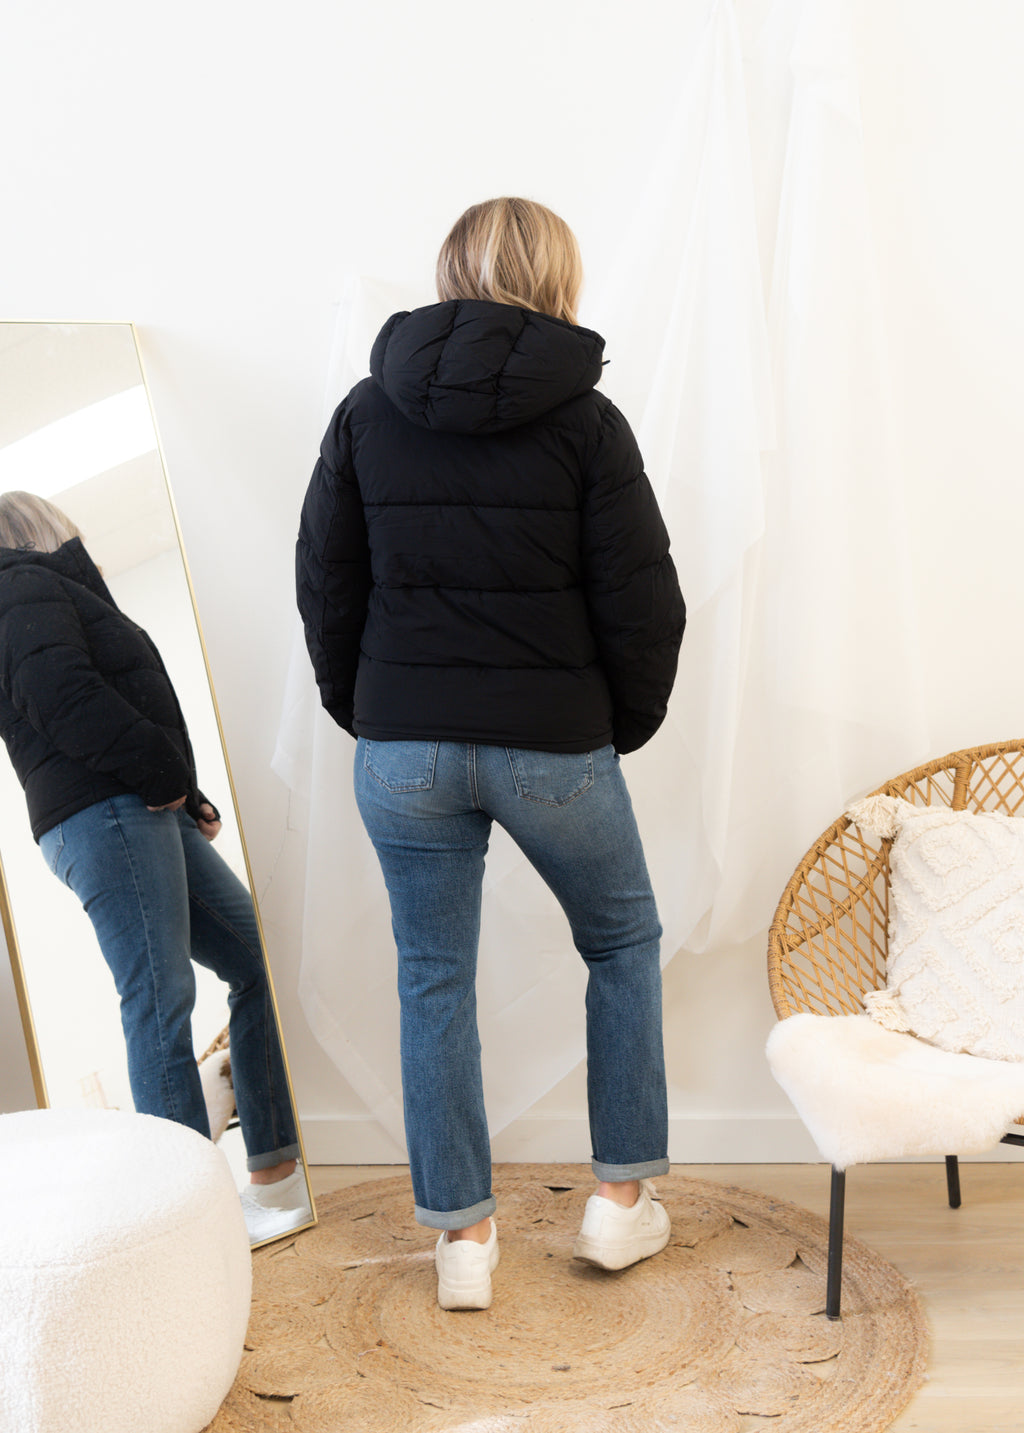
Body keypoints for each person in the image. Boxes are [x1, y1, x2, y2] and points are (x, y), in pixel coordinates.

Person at [296, 196, 686, 1309]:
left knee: (433, 977)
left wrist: (371, 711)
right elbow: (643, 602)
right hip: (552, 741)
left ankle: (462, 1238)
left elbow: (323, 580)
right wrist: (609, 728)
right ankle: (619, 1204)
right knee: (622, 942)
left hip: (402, 747)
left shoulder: (366, 410)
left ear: (450, 270)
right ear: (558, 277)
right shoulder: (588, 422)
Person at [0, 491, 305, 1243]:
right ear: (39, 529)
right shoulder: (21, 586)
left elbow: (121, 700)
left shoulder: (48, 591)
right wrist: (166, 777)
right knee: (159, 1000)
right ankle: (192, 1223)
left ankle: (271, 1173)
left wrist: (184, 793)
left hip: (134, 804)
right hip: (105, 811)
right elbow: (65, 699)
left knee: (255, 962)